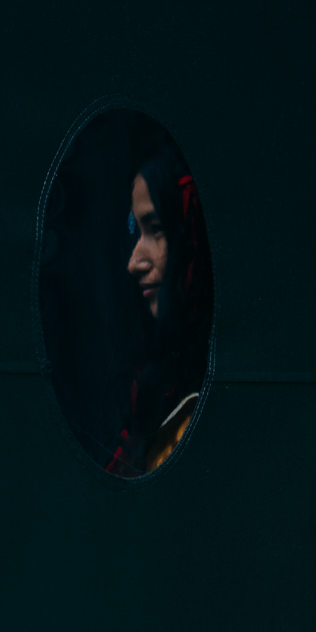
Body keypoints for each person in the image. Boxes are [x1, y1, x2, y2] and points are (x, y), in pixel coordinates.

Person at [104, 148, 211, 476]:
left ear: (189, 237)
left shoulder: (213, 383)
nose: (134, 263)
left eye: (156, 229)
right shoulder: (154, 375)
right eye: (137, 232)